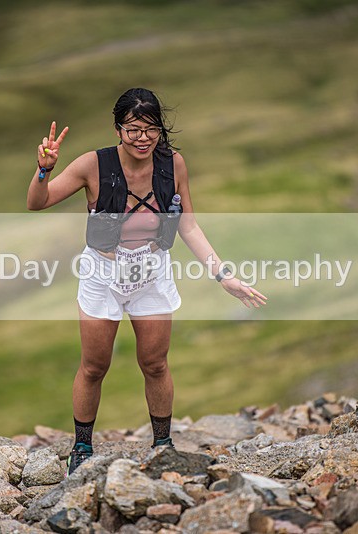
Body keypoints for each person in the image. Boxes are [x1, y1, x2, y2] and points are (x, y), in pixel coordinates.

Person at [27, 88, 267, 475]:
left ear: (160, 129)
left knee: (155, 363)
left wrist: (224, 275)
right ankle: (83, 448)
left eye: (150, 129)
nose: (142, 138)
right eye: (133, 129)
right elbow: (37, 202)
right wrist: (44, 169)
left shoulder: (173, 164)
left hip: (152, 271)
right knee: (94, 366)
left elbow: (187, 225)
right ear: (118, 129)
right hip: (102, 274)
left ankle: (163, 445)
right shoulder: (93, 164)